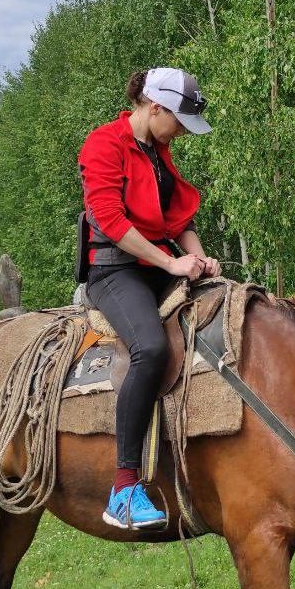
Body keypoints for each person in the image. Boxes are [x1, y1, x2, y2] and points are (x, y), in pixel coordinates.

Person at [79, 67, 220, 531]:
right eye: (178, 120)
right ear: (154, 106)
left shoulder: (159, 151)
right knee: (151, 348)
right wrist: (171, 265)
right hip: (115, 273)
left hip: (157, 267)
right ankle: (123, 487)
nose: (180, 131)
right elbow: (111, 221)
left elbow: (178, 217)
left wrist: (199, 259)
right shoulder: (104, 143)